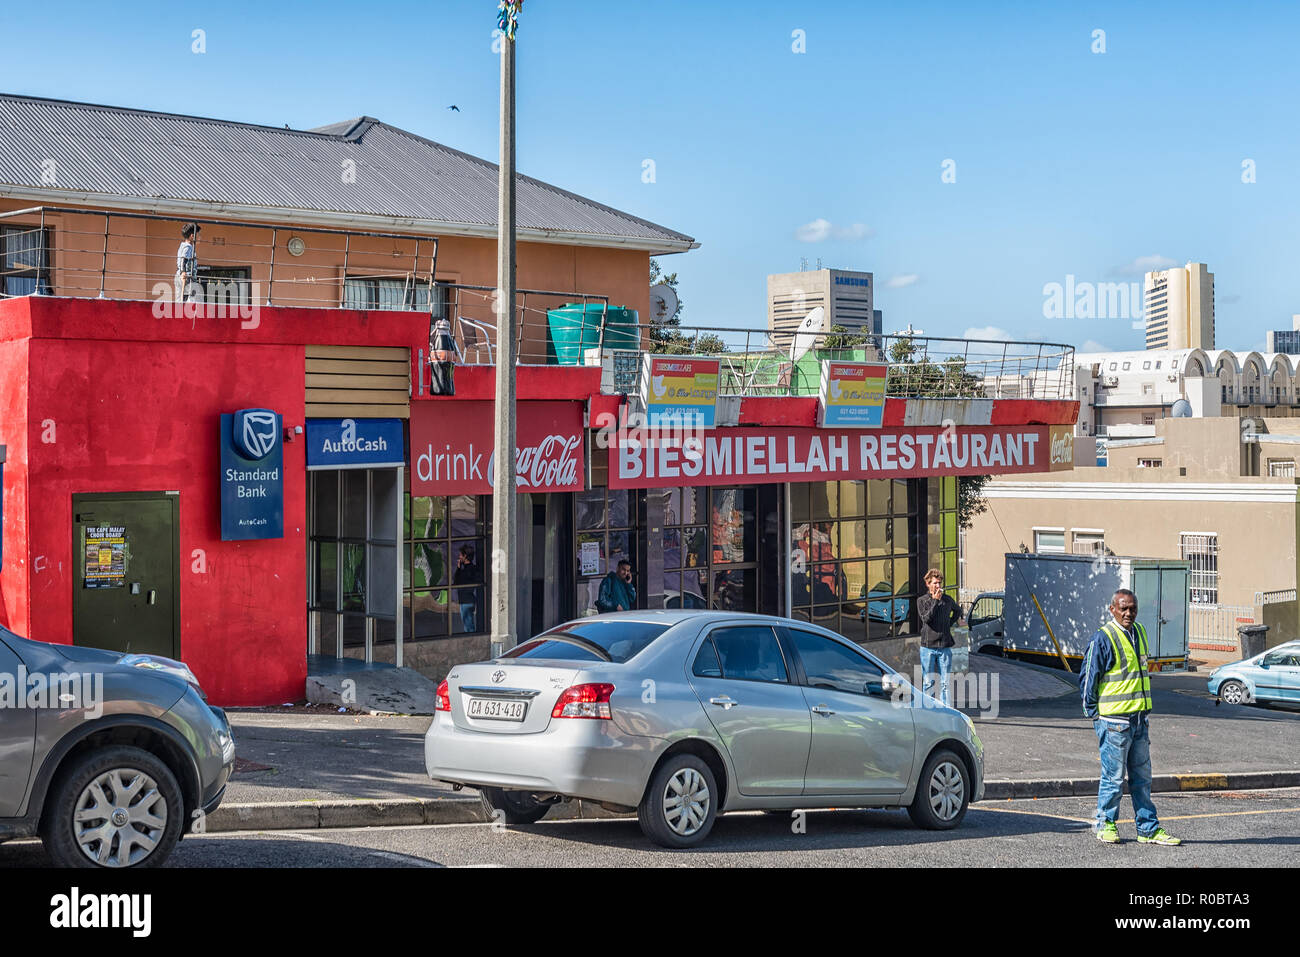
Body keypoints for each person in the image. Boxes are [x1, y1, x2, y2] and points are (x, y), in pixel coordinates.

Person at [1080, 588, 1181, 846]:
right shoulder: (1103, 638)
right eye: (1123, 608)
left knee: (1142, 778)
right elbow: (1088, 678)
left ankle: (1147, 829)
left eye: (1132, 608)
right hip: (1114, 722)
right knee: (1113, 778)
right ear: (1112, 609)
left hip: (1138, 720)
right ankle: (1105, 824)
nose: (1128, 613)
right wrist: (1095, 715)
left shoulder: (1140, 633)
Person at [916, 568, 964, 706]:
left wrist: (949, 622)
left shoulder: (947, 600)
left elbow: (958, 610)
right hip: (928, 647)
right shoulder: (922, 601)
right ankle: (928, 710)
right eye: (935, 583)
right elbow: (926, 619)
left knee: (945, 683)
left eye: (939, 583)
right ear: (928, 584)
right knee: (928, 682)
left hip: (944, 646)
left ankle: (946, 710)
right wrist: (935, 601)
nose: (938, 586)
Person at [452, 544, 480, 633]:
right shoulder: (467, 569)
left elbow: (456, 581)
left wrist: (459, 569)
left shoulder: (469, 570)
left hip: (467, 601)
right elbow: (456, 581)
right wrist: (459, 568)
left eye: (461, 555)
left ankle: (472, 643)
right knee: (467, 624)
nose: (459, 557)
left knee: (468, 626)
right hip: (465, 600)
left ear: (465, 556)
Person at [174, 222, 201, 303]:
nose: (200, 237)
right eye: (198, 235)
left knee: (181, 299)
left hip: (183, 277)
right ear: (192, 236)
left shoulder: (183, 245)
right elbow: (183, 259)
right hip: (186, 278)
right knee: (186, 300)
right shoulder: (188, 247)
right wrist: (183, 272)